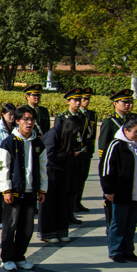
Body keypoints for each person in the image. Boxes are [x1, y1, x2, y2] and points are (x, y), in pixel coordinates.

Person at [0, 105, 48, 271]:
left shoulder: (38, 143)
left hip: (31, 192)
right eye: (25, 119)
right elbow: (1, 167)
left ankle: (20, 257)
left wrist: (42, 189)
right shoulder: (9, 142)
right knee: (10, 227)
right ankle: (7, 258)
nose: (29, 123)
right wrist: (6, 190)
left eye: (32, 119)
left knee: (27, 228)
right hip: (14, 192)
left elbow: (43, 167)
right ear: (17, 121)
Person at [100, 117, 137, 263]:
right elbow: (106, 170)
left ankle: (128, 250)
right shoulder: (115, 145)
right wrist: (108, 190)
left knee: (131, 224)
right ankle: (115, 250)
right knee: (118, 223)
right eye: (135, 132)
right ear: (126, 130)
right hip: (121, 193)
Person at [97, 89, 137, 232]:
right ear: (115, 103)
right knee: (111, 195)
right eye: (124, 102)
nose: (128, 105)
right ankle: (110, 224)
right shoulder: (109, 121)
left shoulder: (133, 120)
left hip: (130, 163)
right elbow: (103, 147)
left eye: (130, 102)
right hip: (115, 163)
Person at [38, 116, 83, 244]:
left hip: (61, 169)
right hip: (50, 170)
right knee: (49, 203)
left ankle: (61, 231)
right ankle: (47, 233)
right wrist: (69, 154)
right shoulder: (53, 133)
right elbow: (49, 154)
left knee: (61, 202)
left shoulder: (64, 133)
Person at [52, 88, 90, 225]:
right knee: (65, 186)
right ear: (68, 101)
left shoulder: (83, 117)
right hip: (67, 155)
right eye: (75, 100)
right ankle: (63, 214)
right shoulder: (62, 118)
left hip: (78, 157)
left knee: (74, 186)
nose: (78, 103)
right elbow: (59, 137)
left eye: (79, 100)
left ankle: (71, 213)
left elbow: (85, 137)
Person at [75, 87, 96, 213]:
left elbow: (93, 134)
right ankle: (73, 202)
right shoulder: (77, 115)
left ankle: (79, 200)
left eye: (88, 99)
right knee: (76, 177)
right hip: (77, 149)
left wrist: (91, 149)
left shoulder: (92, 114)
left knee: (83, 176)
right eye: (84, 99)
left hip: (87, 149)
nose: (86, 101)